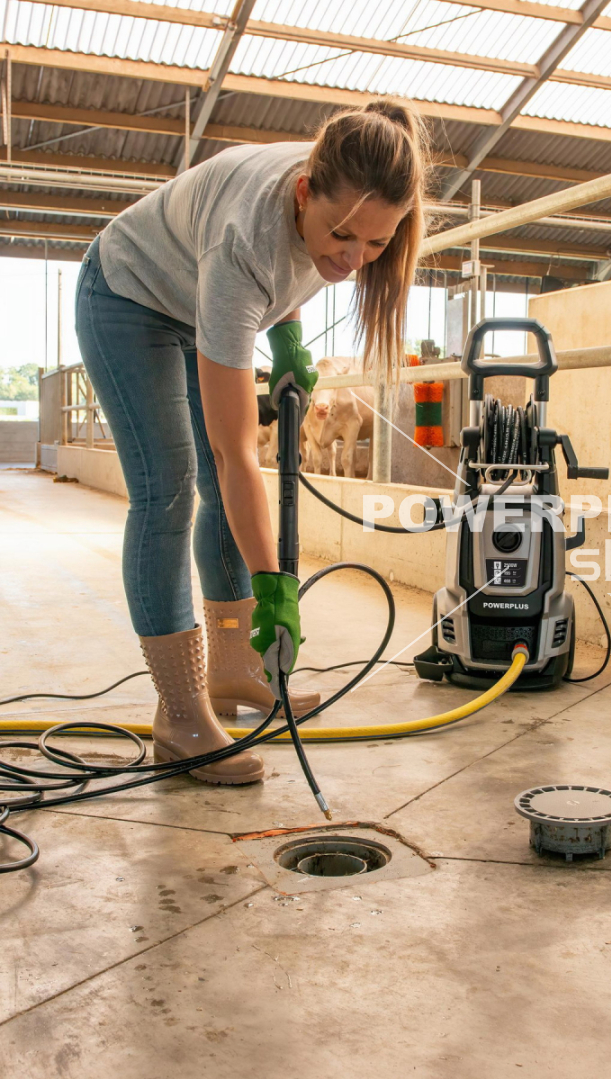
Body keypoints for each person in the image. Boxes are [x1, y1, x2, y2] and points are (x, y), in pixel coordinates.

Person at [75, 99, 429, 785]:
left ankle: (235, 671)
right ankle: (181, 715)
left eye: (377, 244)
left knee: (217, 490)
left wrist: (289, 334)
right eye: (343, 237)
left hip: (196, 296)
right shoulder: (243, 242)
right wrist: (273, 585)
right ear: (303, 193)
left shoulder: (342, 196)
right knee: (168, 490)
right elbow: (236, 450)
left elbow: (295, 263)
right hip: (128, 295)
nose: (354, 260)